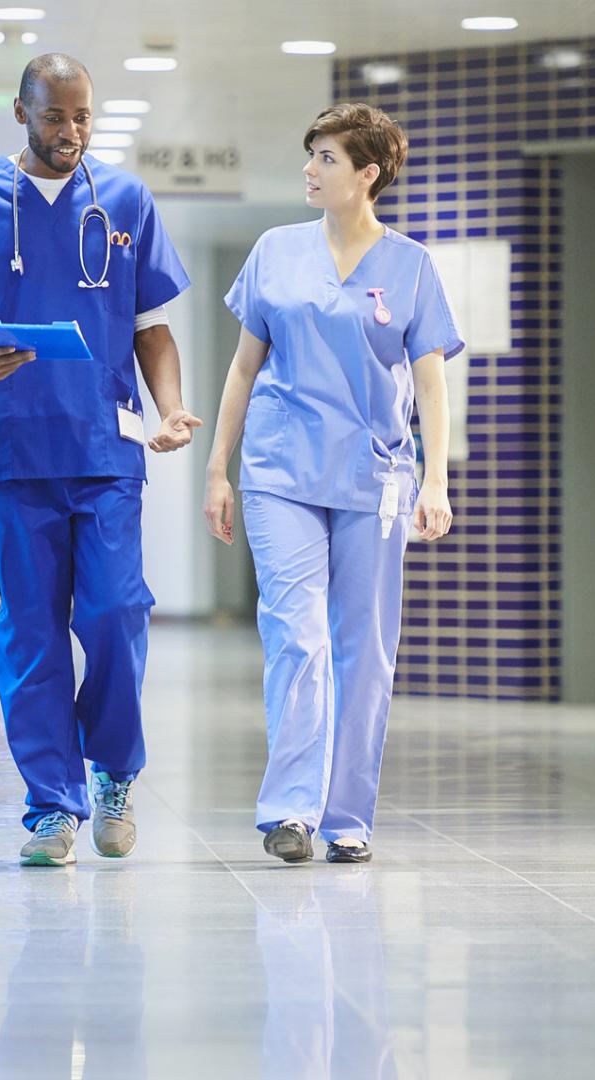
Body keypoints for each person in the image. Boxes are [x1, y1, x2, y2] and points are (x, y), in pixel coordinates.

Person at [0, 54, 197, 867]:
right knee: (32, 633)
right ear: (20, 112)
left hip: (106, 445)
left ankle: (114, 769)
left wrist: (171, 405)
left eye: (83, 117)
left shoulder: (125, 201)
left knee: (115, 611)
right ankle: (52, 804)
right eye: (54, 118)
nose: (71, 133)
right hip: (12, 448)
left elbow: (151, 325)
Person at [202, 103, 462, 865]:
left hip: (373, 476)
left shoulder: (410, 266)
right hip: (280, 470)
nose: (311, 170)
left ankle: (348, 815)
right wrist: (218, 468)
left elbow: (432, 386)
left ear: (367, 175)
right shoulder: (276, 252)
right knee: (298, 637)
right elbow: (243, 367)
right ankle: (290, 810)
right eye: (310, 155)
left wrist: (436, 480)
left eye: (326, 159)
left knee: (365, 648)